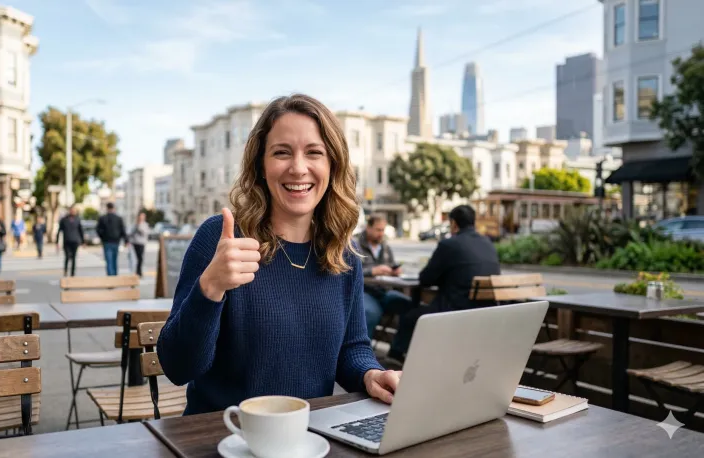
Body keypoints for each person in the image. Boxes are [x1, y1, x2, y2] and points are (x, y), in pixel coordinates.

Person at [156, 94, 401, 416]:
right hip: (223, 437)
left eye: (314, 153)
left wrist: (371, 374)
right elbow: (178, 367)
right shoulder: (220, 238)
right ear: (260, 165)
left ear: (333, 165)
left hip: (306, 436)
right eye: (281, 153)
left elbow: (351, 348)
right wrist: (210, 289)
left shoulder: (343, 254)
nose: (298, 168)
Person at [389, 205, 501, 362]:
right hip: (486, 311)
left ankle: (396, 357)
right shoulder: (488, 244)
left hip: (454, 311)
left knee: (410, 317)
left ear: (454, 224)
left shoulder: (449, 244)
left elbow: (425, 279)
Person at [358, 214, 415, 347]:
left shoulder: (385, 247)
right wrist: (372, 271)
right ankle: (363, 355)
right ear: (368, 228)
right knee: (370, 312)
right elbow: (347, 271)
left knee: (410, 308)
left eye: (383, 230)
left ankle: (396, 352)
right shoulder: (355, 245)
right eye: (378, 230)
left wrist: (395, 271)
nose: (381, 234)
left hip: (385, 291)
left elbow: (392, 264)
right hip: (366, 292)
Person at [97, 202, 128, 276]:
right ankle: (114, 276)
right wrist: (126, 240)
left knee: (109, 260)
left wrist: (103, 237)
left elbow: (98, 230)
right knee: (114, 260)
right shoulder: (118, 218)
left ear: (107, 208)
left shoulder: (102, 218)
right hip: (115, 241)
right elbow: (122, 230)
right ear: (113, 208)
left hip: (107, 242)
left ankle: (111, 277)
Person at [56, 206, 84, 277]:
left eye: (74, 210)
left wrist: (83, 241)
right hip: (67, 241)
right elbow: (59, 231)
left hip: (75, 241)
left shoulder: (77, 219)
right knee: (67, 257)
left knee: (74, 258)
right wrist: (57, 242)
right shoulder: (64, 219)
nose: (73, 212)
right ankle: (65, 271)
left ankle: (72, 273)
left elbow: (81, 230)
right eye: (72, 210)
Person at [129, 211, 150, 277]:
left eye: (143, 216)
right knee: (136, 258)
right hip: (135, 243)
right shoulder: (135, 224)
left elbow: (145, 233)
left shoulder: (145, 224)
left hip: (142, 243)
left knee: (140, 258)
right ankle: (137, 271)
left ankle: (139, 271)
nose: (142, 217)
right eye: (141, 216)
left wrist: (139, 227)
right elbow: (131, 233)